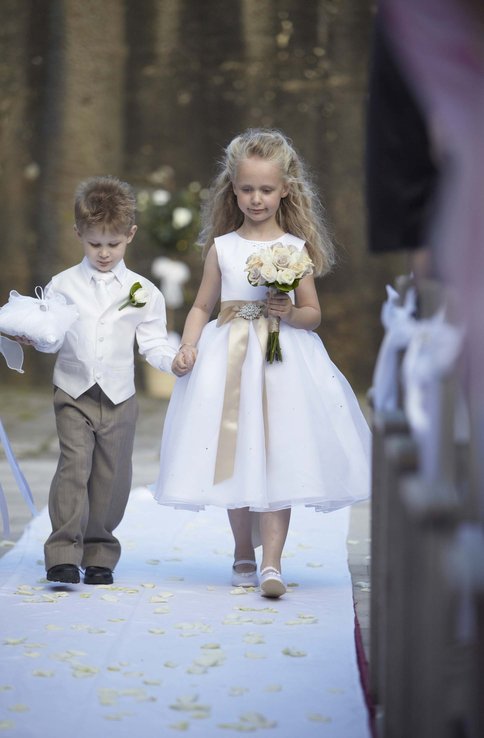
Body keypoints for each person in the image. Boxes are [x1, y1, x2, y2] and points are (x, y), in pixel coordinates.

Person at [154, 129, 371, 598]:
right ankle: (242, 552)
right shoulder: (223, 247)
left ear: (285, 189)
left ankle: (272, 563)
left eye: (266, 189)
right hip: (229, 357)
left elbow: (313, 314)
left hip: (281, 362)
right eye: (247, 189)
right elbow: (200, 306)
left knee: (279, 457)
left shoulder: (294, 249)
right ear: (233, 190)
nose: (256, 198)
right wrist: (188, 347)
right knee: (235, 454)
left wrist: (290, 312)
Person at [18, 175, 176, 585]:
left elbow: (153, 342)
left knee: (112, 474)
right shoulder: (61, 285)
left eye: (113, 244)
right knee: (74, 465)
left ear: (130, 235)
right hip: (73, 391)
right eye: (94, 244)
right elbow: (53, 338)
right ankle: (62, 554)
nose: (104, 253)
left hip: (120, 396)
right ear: (79, 234)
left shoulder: (144, 291)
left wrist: (175, 362)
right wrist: (34, 337)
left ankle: (100, 552)